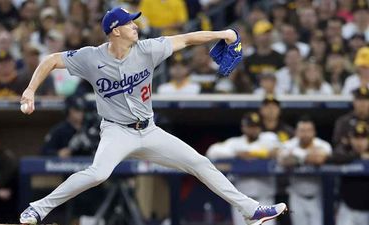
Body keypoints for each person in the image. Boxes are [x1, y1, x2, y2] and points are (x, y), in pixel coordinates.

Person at [19, 7, 287, 225]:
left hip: (149, 130)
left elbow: (187, 38)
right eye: (129, 23)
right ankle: (37, 209)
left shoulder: (148, 48)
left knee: (200, 162)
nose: (135, 25)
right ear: (115, 30)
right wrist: (30, 90)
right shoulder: (91, 57)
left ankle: (251, 211)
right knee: (98, 174)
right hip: (116, 131)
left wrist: (225, 32)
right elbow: (51, 59)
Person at [206, 112, 280, 225]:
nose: (253, 129)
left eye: (256, 126)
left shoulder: (268, 138)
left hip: (265, 200)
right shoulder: (236, 143)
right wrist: (236, 154)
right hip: (242, 202)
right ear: (243, 127)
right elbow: (212, 152)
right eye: (250, 126)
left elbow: (279, 150)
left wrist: (255, 153)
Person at [278, 117, 332, 225]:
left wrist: (297, 157)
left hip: (316, 196)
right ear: (296, 132)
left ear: (314, 132)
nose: (306, 134)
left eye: (309, 130)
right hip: (296, 195)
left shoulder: (323, 144)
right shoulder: (289, 144)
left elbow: (319, 159)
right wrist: (307, 157)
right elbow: (283, 160)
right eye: (302, 130)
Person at [326, 122, 369, 225]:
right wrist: (358, 156)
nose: (359, 142)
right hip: (347, 209)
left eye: (363, 138)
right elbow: (331, 158)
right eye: (356, 138)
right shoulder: (344, 152)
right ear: (350, 139)